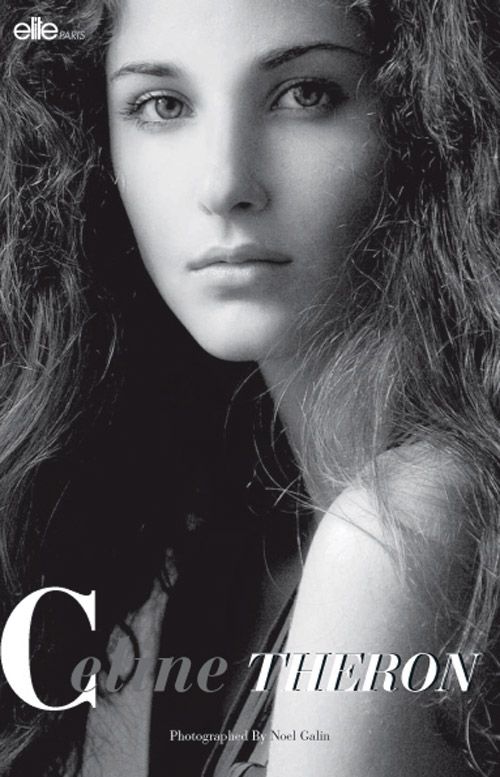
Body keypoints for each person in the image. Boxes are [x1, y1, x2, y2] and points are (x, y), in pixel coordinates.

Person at [1, 0, 499, 776]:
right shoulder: (232, 558)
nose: (224, 183)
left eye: (305, 93)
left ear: (427, 115)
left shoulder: (401, 532)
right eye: (162, 105)